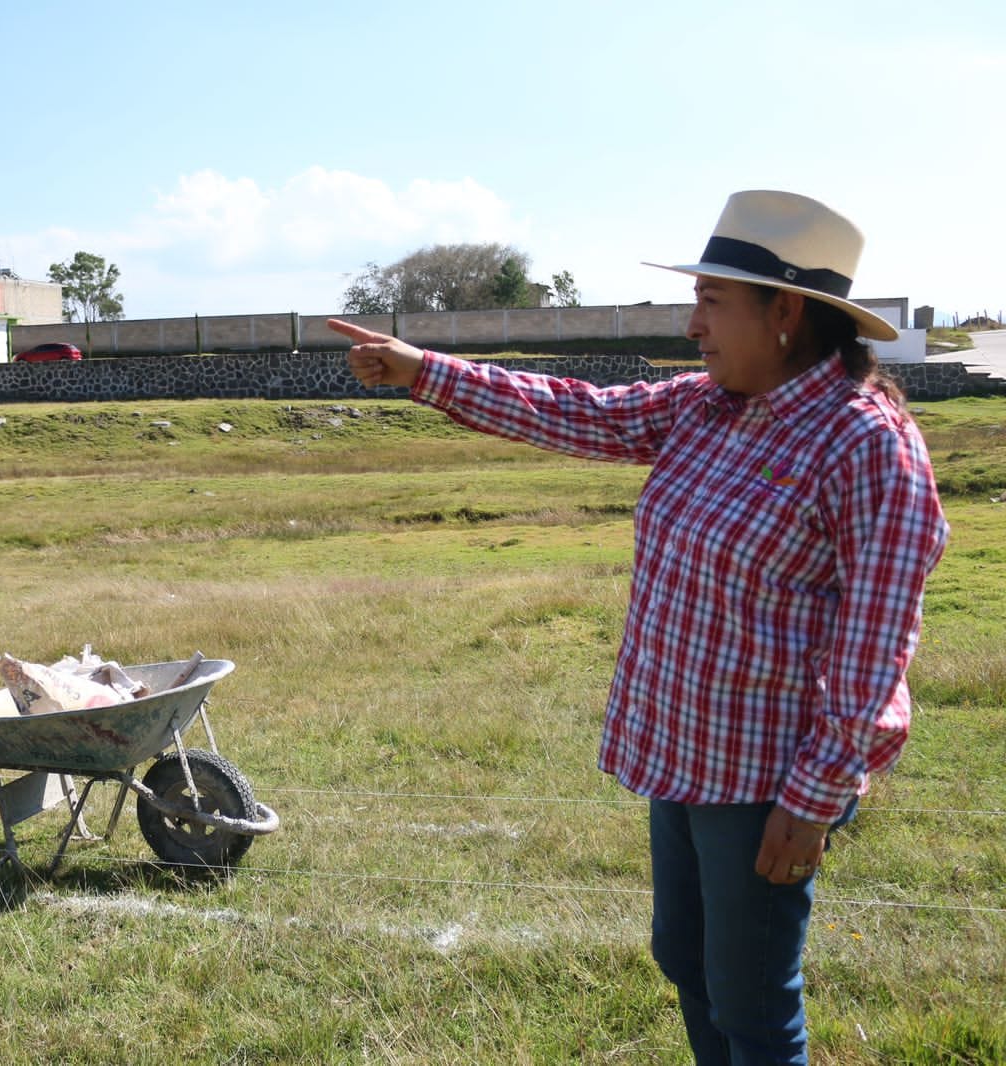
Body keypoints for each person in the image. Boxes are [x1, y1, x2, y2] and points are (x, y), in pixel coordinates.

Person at [332, 190, 949, 1064]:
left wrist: (811, 803)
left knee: (753, 1000)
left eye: (711, 302)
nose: (692, 326)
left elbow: (875, 642)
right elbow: (576, 410)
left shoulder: (864, 445)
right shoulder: (704, 405)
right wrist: (425, 371)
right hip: (685, 752)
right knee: (688, 962)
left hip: (763, 779)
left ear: (785, 312)